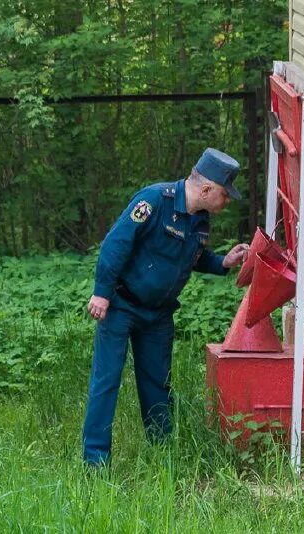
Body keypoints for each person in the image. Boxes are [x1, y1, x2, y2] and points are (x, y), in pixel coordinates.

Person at [82, 147, 250, 466]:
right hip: (121, 304)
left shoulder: (199, 221)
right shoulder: (154, 201)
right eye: (224, 195)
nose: (226, 202)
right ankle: (95, 463)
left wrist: (223, 262)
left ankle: (162, 456)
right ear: (205, 189)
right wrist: (102, 292)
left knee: (158, 384)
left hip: (158, 316)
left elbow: (193, 258)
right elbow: (116, 245)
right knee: (106, 383)